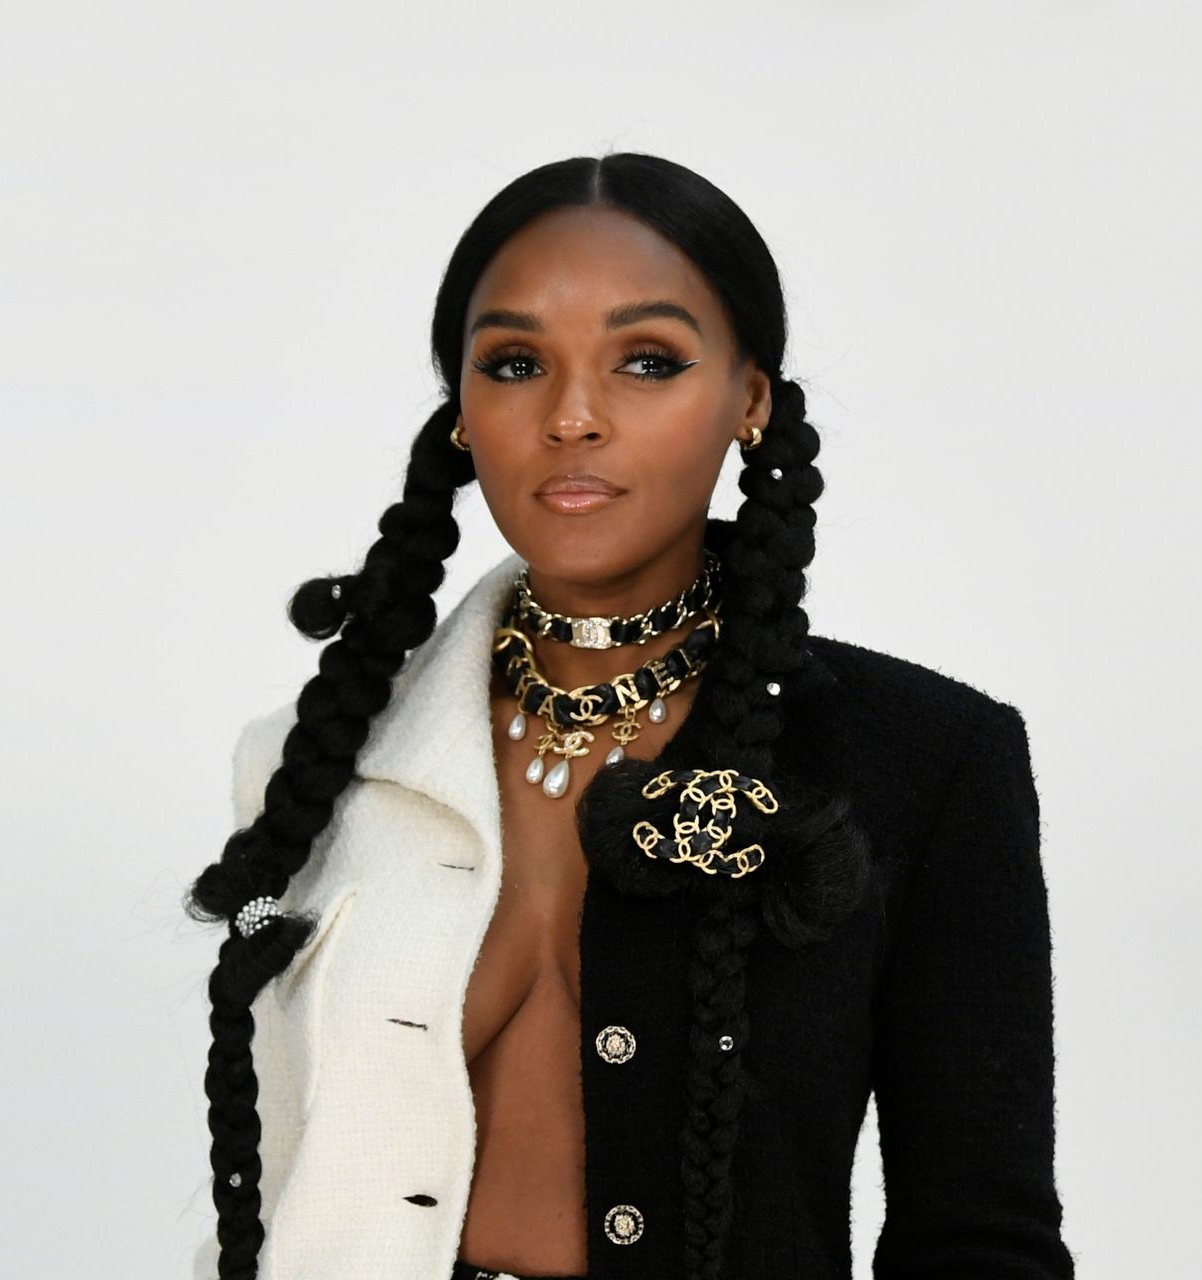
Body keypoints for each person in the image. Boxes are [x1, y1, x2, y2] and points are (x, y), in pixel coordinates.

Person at [183, 150, 1073, 1280]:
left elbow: (979, 1238)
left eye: (647, 361)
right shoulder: (309, 765)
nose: (572, 417)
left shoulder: (924, 760)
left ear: (750, 400)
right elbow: (270, 1197)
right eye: (515, 364)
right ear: (461, 415)